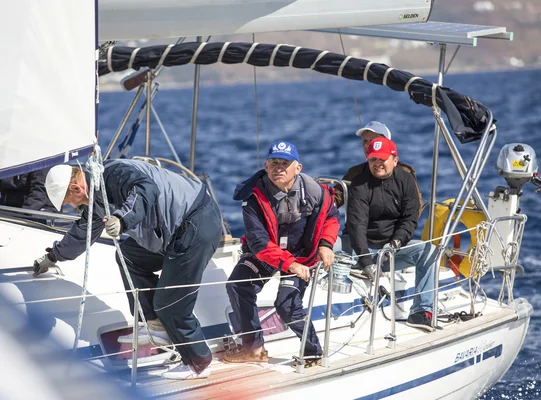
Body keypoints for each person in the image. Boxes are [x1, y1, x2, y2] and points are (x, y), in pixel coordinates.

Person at [32, 159, 222, 380]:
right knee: (128, 256)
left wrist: (122, 219)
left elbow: (145, 189)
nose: (72, 206)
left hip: (196, 222)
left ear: (75, 188)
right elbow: (81, 233)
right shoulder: (96, 196)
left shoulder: (112, 175)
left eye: (68, 201)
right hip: (177, 230)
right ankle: (156, 325)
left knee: (169, 303)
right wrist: (53, 256)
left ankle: (198, 362)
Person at [224, 141, 339, 367]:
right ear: (265, 166)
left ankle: (312, 352)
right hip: (267, 254)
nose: (279, 168)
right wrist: (288, 264)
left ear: (298, 168)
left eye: (285, 163)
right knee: (238, 285)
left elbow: (331, 218)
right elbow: (259, 243)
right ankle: (254, 348)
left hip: (301, 256)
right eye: (274, 163)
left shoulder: (316, 191)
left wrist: (326, 244)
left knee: (287, 305)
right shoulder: (253, 197)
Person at [346, 137, 438, 332]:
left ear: (394, 160)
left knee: (429, 250)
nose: (377, 163)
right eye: (372, 160)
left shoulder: (406, 181)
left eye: (382, 159)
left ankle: (422, 311)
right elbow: (357, 225)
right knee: (330, 248)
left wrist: (395, 243)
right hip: (360, 248)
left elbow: (410, 219)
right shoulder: (359, 184)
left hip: (392, 250)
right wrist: (366, 262)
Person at [333, 121, 421, 210]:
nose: (367, 145)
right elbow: (336, 197)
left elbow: (414, 207)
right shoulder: (355, 172)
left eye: (372, 141)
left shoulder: (405, 173)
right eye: (365, 141)